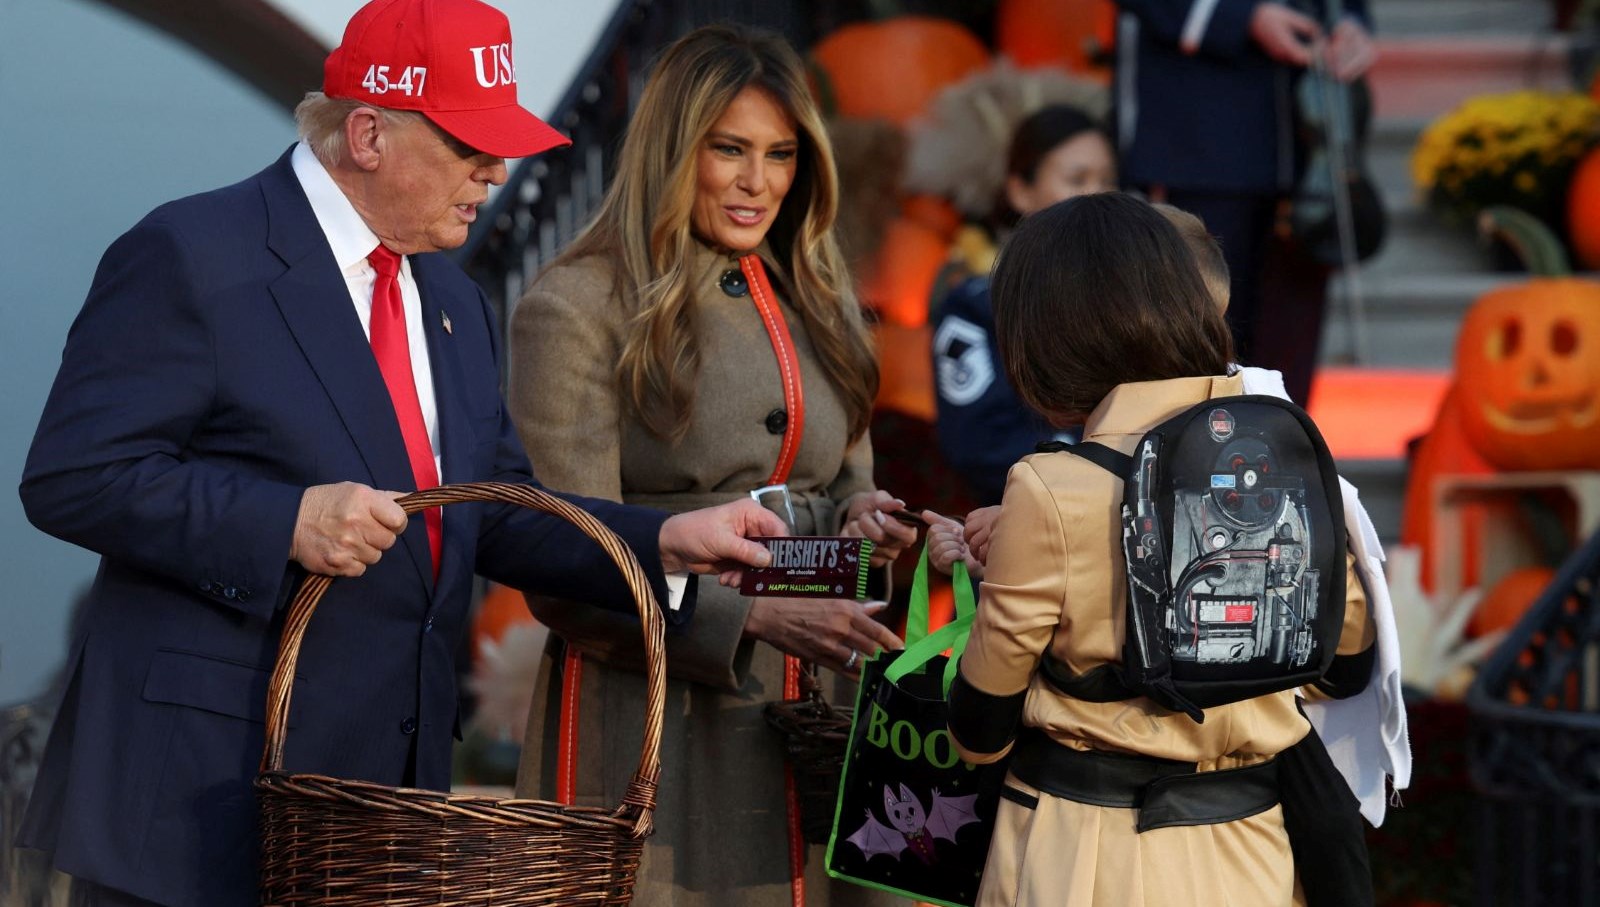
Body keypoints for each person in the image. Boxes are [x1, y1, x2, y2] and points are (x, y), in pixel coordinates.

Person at [14, 2, 787, 905]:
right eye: (470, 147)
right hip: (195, 805)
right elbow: (74, 476)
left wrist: (662, 543)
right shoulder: (192, 254)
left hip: (372, 822)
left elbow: (492, 508)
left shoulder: (451, 301)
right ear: (369, 134)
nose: (496, 173)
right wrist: (286, 522)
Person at [506, 25, 911, 907]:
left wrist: (868, 522)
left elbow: (846, 487)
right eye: (729, 149)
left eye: (780, 154)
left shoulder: (822, 296)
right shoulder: (573, 307)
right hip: (651, 718)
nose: (757, 181)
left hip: (818, 707)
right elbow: (568, 560)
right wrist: (751, 615)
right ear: (672, 148)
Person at [943, 192, 1375, 906]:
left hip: (1084, 853)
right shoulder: (1284, 456)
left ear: (1048, 335)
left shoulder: (1051, 487)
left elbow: (979, 729)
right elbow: (1345, 667)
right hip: (1256, 857)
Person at [1114, 0, 1376, 405]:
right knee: (1195, 331)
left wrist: (1353, 23)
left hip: (1311, 131)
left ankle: (1286, 452)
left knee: (1291, 345)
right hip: (1203, 132)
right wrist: (1241, 18)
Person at [931, 105, 1116, 505]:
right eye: (1076, 178)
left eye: (1107, 180)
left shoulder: (1134, 298)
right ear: (1020, 190)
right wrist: (1097, 459)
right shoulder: (976, 309)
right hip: (1022, 522)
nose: (1097, 195)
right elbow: (978, 444)